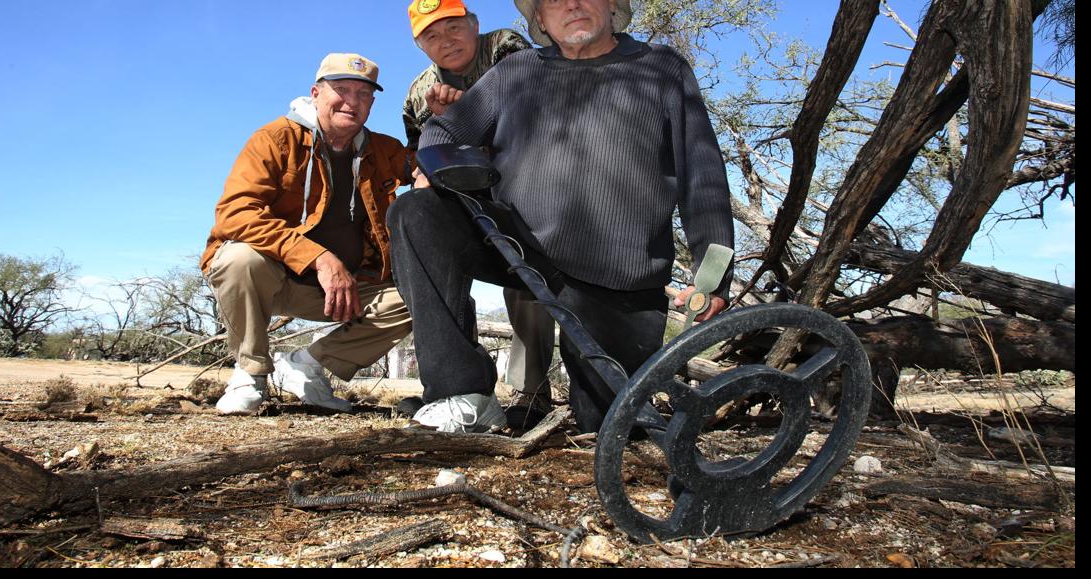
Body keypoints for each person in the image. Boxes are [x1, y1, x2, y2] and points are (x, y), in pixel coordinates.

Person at [386, 0, 734, 433]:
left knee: (608, 426)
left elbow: (703, 174)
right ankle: (463, 394)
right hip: (518, 249)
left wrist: (713, 275)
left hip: (616, 273)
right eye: (552, 0)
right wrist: (445, 170)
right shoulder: (515, 72)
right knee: (416, 211)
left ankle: (591, 402)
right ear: (540, 20)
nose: (571, 5)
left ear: (611, 6)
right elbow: (443, 131)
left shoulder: (661, 67)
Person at [201, 53, 414, 414]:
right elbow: (234, 214)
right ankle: (249, 373)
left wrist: (444, 116)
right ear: (316, 93)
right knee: (238, 258)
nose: (352, 101)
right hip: (276, 278)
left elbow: (426, 163)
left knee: (422, 295)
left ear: (373, 104)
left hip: (346, 288)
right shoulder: (274, 138)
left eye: (364, 95)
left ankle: (308, 365)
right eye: (341, 89)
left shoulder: (384, 150)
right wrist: (318, 257)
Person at [400, 0, 557, 429]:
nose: (446, 41)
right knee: (417, 222)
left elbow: (531, 110)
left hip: (526, 195)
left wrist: (463, 113)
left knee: (526, 284)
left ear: (474, 24)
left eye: (454, 27)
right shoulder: (417, 92)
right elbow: (420, 154)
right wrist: (426, 166)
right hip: (463, 202)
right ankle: (458, 388)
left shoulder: (505, 47)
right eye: (431, 35)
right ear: (420, 45)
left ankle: (531, 396)